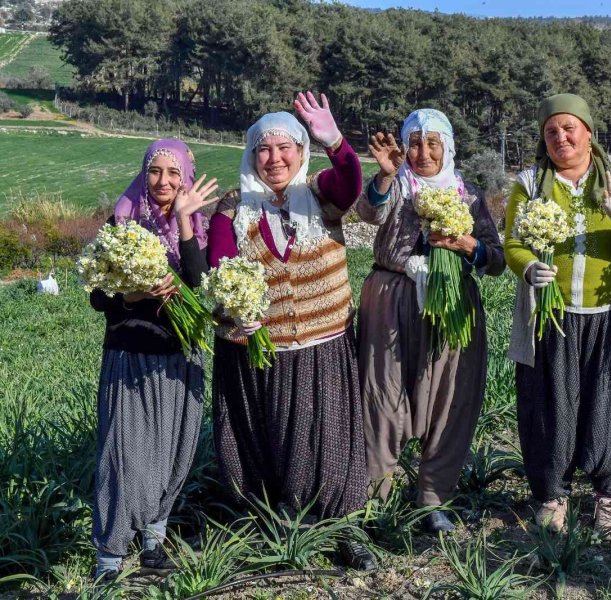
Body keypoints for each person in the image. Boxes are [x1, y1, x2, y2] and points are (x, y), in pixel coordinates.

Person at [206, 93, 375, 570]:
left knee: (332, 438)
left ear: (301, 152)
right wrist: (236, 312)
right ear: (251, 154)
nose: (275, 159)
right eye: (264, 150)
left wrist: (335, 141)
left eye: (286, 149)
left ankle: (345, 527)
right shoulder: (233, 207)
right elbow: (220, 268)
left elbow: (350, 182)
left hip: (325, 341)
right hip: (264, 347)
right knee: (273, 437)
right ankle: (281, 527)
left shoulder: (321, 195)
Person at [504, 94, 611, 538]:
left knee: (608, 405)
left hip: (609, 314)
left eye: (569, 128)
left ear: (589, 131)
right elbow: (514, 241)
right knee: (551, 406)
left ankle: (608, 497)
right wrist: (530, 267)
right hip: (553, 316)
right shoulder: (531, 183)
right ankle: (551, 495)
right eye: (551, 131)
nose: (560, 137)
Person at [356, 109, 505, 532]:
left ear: (448, 148)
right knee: (382, 396)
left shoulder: (468, 195)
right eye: (415, 144)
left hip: (453, 303)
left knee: (449, 399)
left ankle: (433, 498)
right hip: (392, 300)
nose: (423, 153)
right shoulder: (397, 187)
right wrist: (384, 176)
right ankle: (374, 498)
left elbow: (494, 261)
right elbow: (369, 213)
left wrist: (466, 244)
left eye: (432, 144)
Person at [90, 139, 218, 579]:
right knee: (124, 458)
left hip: (181, 358)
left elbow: (200, 283)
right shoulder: (123, 223)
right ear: (144, 175)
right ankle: (108, 559)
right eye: (154, 172)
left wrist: (183, 220)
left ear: (185, 176)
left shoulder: (195, 225)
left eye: (173, 173)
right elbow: (97, 297)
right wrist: (134, 293)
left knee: (173, 454)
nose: (163, 181)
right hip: (131, 356)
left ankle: (152, 547)